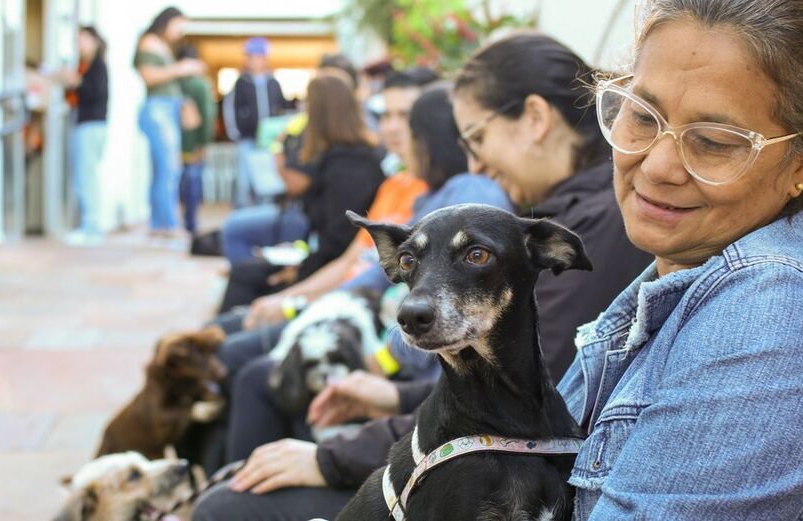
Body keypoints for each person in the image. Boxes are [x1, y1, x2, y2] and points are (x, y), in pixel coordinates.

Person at [216, 1, 803, 518]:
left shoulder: (763, 314)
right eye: (641, 115)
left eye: (715, 141)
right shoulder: (664, 277)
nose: (655, 166)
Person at [192, 31, 655, 521]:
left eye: (477, 138)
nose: (474, 163)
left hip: (484, 463)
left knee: (229, 502)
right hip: (455, 436)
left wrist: (333, 458)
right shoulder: (550, 213)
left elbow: (517, 397)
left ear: (536, 118)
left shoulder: (588, 230)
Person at [218, 75, 384, 313]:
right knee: (245, 270)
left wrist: (300, 274)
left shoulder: (350, 167)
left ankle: (220, 337)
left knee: (243, 267)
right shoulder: (336, 156)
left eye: (309, 105)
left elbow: (336, 243)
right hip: (321, 257)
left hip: (332, 273)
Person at [134, 7, 204, 237]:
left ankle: (159, 225)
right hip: (158, 110)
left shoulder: (162, 45)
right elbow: (150, 76)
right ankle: (169, 225)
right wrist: (181, 69)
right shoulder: (150, 42)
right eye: (179, 25)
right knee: (169, 169)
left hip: (167, 108)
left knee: (163, 170)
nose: (181, 31)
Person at [223, 37, 290, 207]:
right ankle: (242, 214)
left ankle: (264, 214)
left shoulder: (273, 83)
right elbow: (230, 109)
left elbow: (281, 109)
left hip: (269, 142)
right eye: (251, 56)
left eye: (258, 56)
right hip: (247, 139)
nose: (254, 60)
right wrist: (235, 132)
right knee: (244, 181)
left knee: (266, 181)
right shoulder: (241, 83)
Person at [66, 26, 108, 245]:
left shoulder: (97, 66)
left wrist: (75, 82)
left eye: (81, 39)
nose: (79, 44)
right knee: (84, 177)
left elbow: (94, 92)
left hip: (92, 126)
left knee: (87, 176)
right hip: (89, 125)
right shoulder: (87, 65)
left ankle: (91, 228)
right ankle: (89, 226)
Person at [175, 44, 216, 240]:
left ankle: (175, 223)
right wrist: (204, 143)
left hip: (175, 144)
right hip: (193, 145)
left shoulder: (173, 83)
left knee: (175, 185)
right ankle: (190, 224)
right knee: (192, 184)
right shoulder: (200, 85)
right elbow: (207, 117)